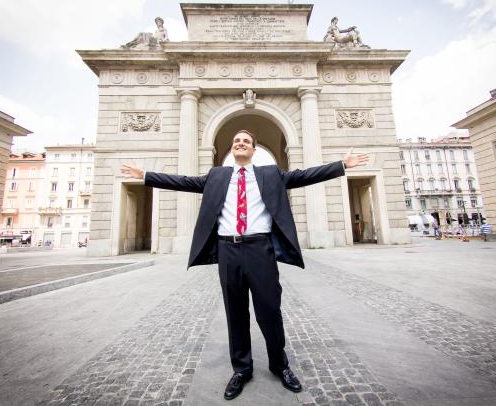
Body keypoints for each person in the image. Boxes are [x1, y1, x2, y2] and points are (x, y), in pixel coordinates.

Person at [121, 130, 369, 400]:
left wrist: (341, 165)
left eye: (246, 141)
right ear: (231, 149)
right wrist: (146, 176)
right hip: (228, 249)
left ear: (253, 149)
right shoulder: (217, 176)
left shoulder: (270, 173)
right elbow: (184, 181)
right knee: (235, 313)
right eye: (236, 141)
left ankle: (280, 365)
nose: (240, 143)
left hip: (259, 249)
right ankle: (241, 369)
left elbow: (304, 176)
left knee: (270, 311)